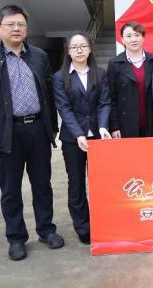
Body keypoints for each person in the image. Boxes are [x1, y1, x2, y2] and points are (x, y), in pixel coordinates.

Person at [0, 4, 64, 261]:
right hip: (7, 133)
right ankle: (16, 238)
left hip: (37, 130)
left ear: (26, 28)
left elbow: (48, 93)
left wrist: (52, 127)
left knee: (42, 184)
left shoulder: (39, 56)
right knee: (11, 189)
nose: (16, 28)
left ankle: (46, 230)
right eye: (10, 24)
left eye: (21, 24)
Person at [53, 31, 111, 245]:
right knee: (76, 183)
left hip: (98, 137)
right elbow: (64, 108)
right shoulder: (60, 77)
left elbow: (105, 102)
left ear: (90, 48)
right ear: (68, 51)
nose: (79, 50)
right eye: (74, 47)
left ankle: (103, 222)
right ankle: (83, 226)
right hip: (72, 139)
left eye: (83, 46)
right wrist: (78, 133)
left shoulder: (100, 73)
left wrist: (103, 126)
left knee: (100, 182)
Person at [106, 22, 153, 138]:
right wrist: (114, 126)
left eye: (137, 35)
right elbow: (110, 98)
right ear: (122, 40)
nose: (133, 39)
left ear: (143, 38)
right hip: (125, 124)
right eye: (128, 36)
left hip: (152, 122)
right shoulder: (114, 64)